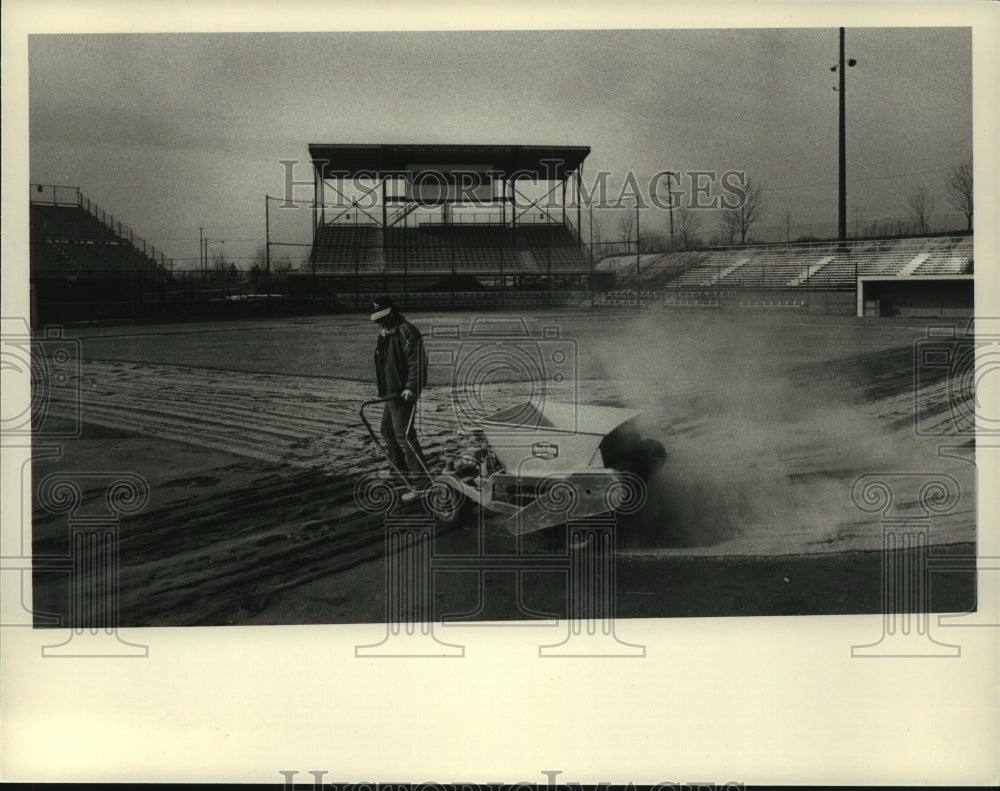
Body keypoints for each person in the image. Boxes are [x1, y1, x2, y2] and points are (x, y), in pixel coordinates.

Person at [370, 294, 429, 490]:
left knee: (404, 435)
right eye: (378, 319)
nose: (380, 322)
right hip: (391, 393)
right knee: (387, 431)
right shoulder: (385, 334)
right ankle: (398, 473)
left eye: (383, 318)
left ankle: (422, 480)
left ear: (392, 313)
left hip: (403, 393)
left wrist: (411, 387)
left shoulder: (406, 331)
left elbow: (418, 361)